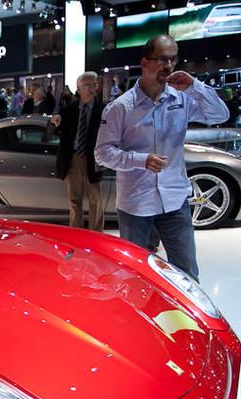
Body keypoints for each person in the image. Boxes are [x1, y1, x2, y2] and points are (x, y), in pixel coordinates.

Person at [94, 35, 229, 280]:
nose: (168, 65)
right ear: (145, 62)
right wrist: (141, 160)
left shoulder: (182, 99)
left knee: (187, 274)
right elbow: (102, 153)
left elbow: (220, 115)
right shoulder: (121, 107)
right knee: (135, 275)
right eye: (162, 59)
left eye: (173, 60)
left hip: (175, 201)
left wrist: (194, 86)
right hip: (137, 204)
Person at [50, 72, 105, 231]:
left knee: (95, 199)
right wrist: (53, 122)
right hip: (73, 158)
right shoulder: (68, 110)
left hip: (93, 158)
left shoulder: (104, 109)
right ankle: (76, 232)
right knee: (74, 199)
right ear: (79, 89)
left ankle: (96, 233)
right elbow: (52, 131)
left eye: (94, 85)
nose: (92, 89)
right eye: (88, 85)